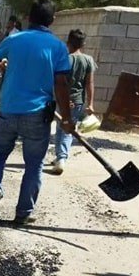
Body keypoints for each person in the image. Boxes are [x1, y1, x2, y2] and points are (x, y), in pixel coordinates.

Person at [0, 0, 72, 224]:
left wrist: (1, 63)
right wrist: (67, 118)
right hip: (38, 115)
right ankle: (23, 213)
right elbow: (61, 84)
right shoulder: (58, 47)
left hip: (9, 110)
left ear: (28, 18)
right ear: (52, 20)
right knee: (34, 164)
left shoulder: (15, 39)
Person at [48, 29, 96, 175]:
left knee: (62, 128)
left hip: (61, 99)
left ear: (67, 42)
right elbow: (90, 83)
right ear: (83, 44)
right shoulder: (88, 60)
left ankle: (61, 158)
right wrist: (91, 103)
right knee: (66, 129)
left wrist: (65, 100)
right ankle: (59, 157)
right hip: (78, 101)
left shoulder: (63, 59)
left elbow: (60, 82)